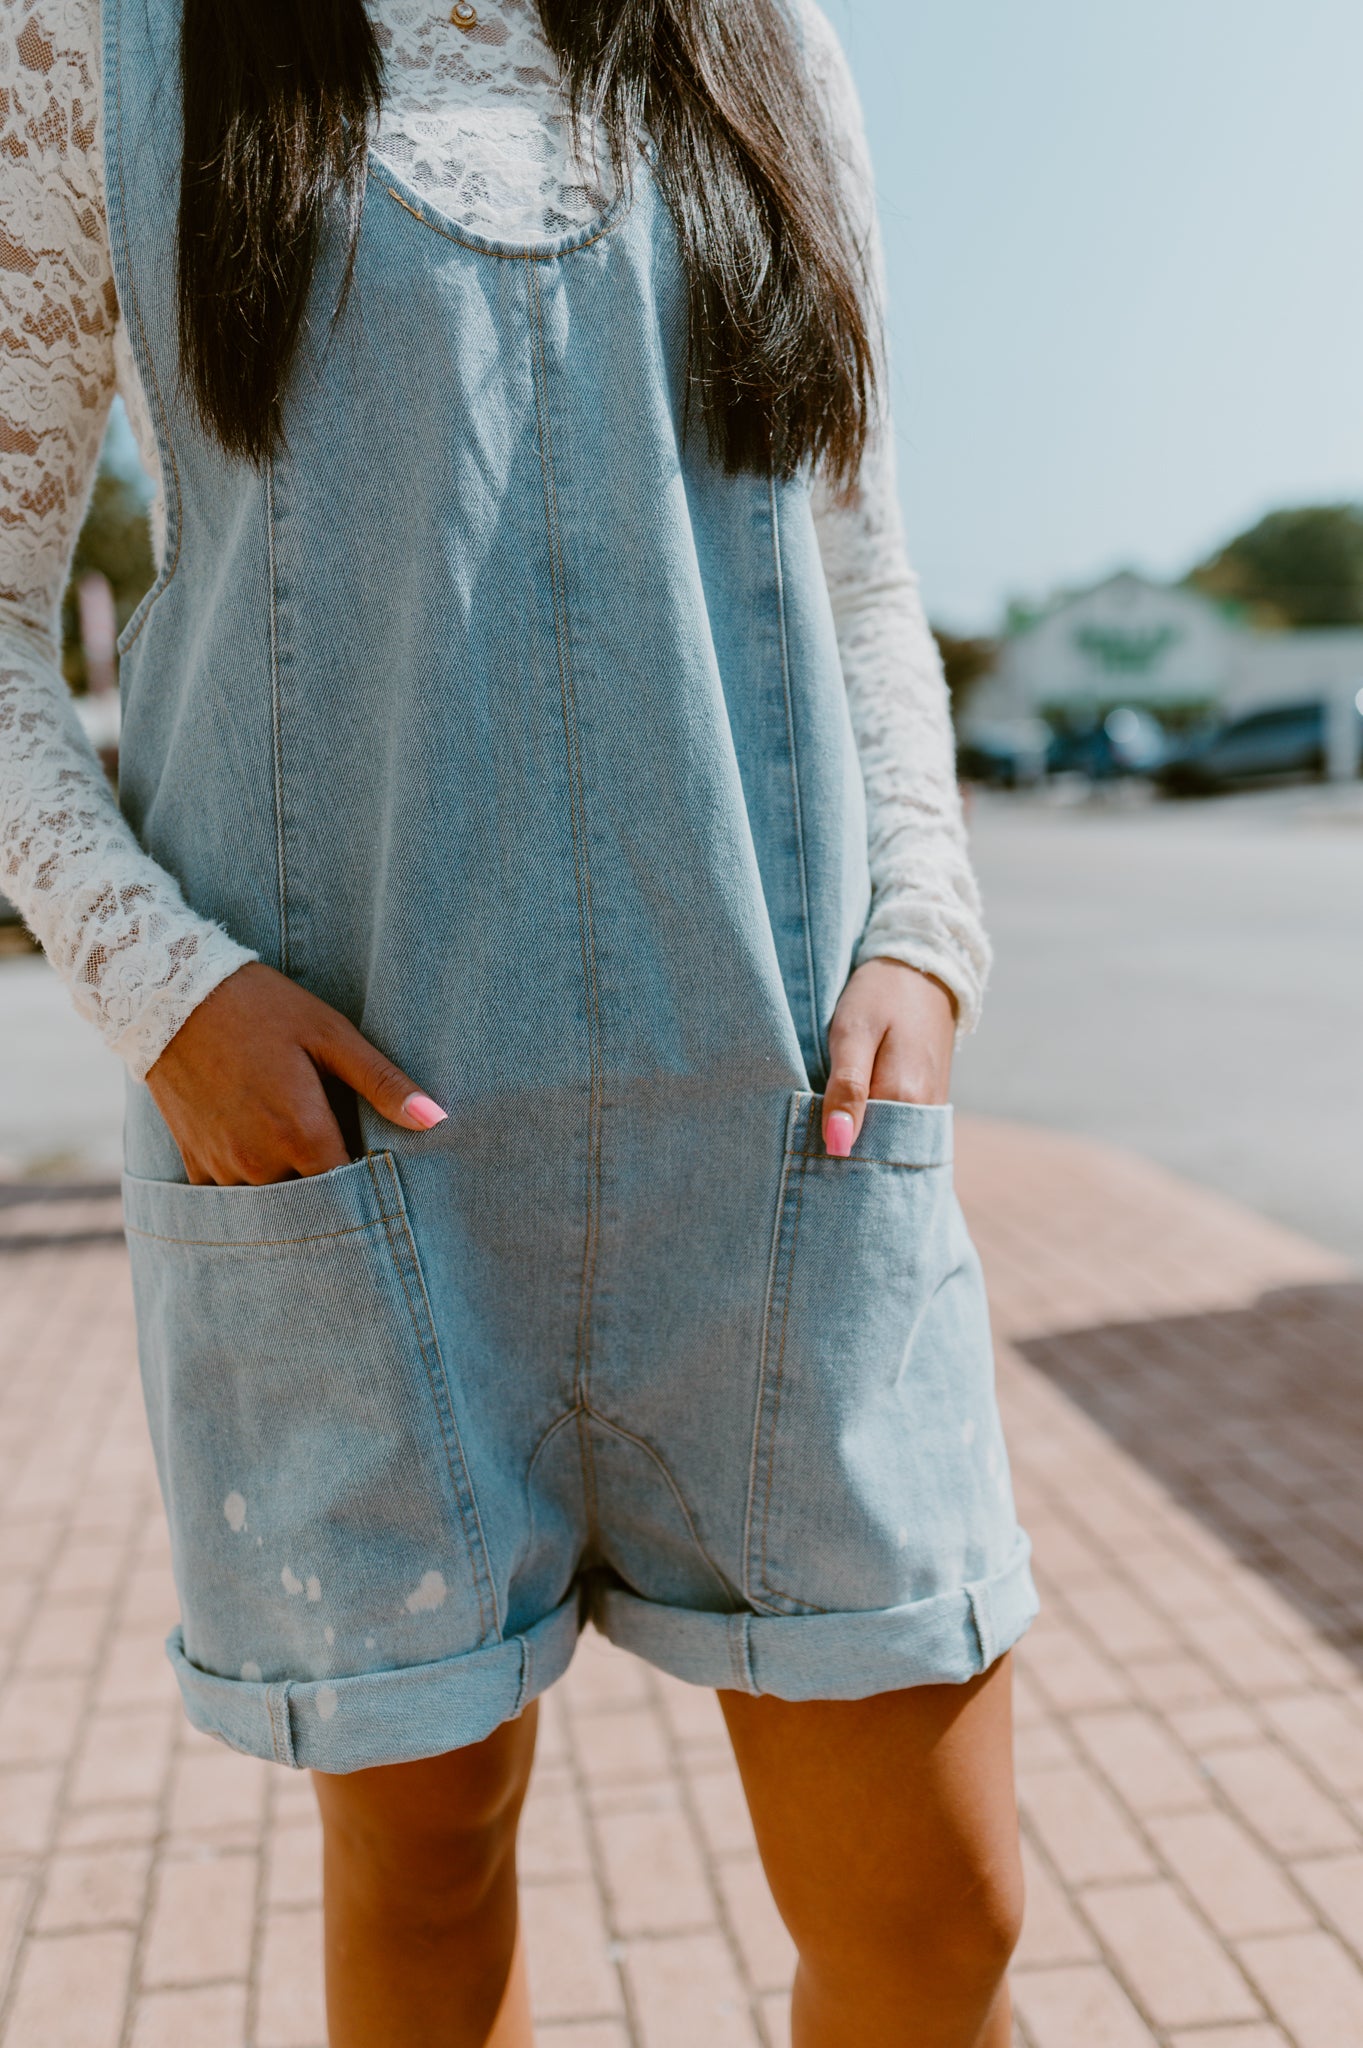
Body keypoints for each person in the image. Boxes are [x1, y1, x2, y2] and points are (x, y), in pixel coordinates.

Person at [0, 0, 1037, 2040]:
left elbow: (857, 557)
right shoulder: (95, 42)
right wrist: (164, 988)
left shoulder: (761, 43)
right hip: (357, 1164)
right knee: (428, 1876)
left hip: (782, 1167)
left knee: (942, 1925)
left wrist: (922, 933)